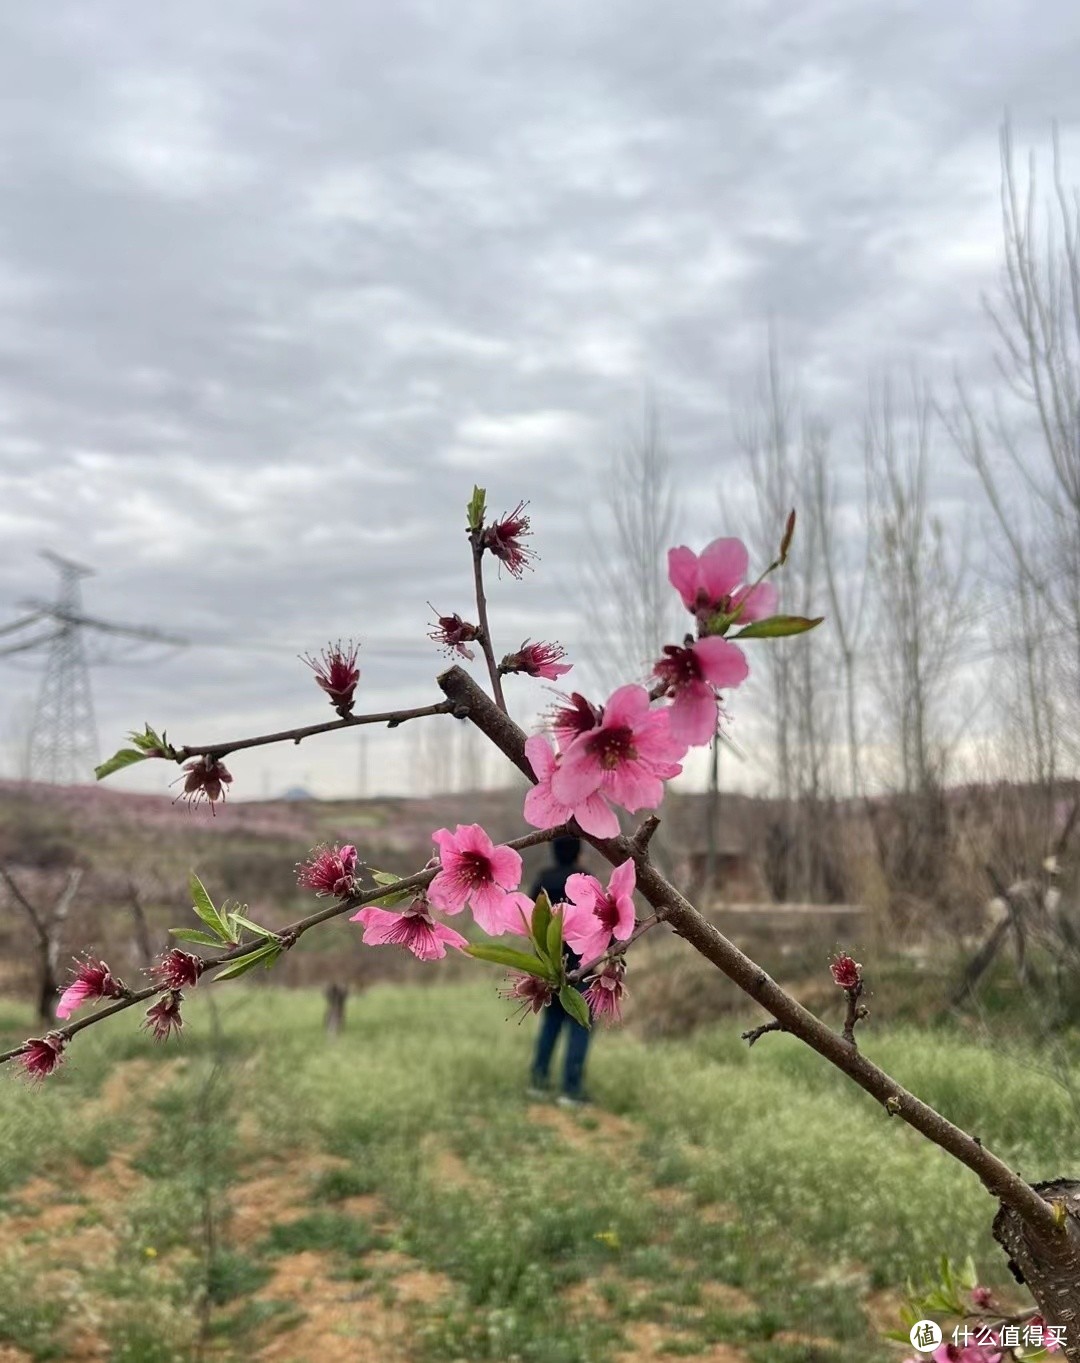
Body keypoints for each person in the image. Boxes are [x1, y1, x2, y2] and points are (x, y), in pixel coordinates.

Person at [527, 834, 592, 1106]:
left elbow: (532, 920)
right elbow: (597, 920)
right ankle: (570, 1088)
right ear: (579, 852)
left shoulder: (544, 879)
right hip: (582, 966)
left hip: (548, 967)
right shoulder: (585, 879)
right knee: (581, 1025)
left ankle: (539, 1082)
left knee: (551, 1023)